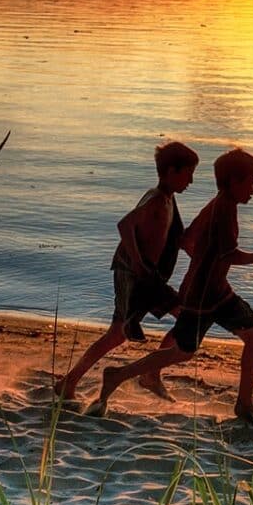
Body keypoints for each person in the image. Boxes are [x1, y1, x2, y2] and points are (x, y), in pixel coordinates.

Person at [88, 147, 253, 425]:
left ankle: (244, 404)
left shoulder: (218, 204)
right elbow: (228, 254)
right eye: (252, 182)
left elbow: (187, 239)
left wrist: (202, 262)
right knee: (183, 352)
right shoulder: (223, 210)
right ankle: (118, 375)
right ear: (234, 182)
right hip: (201, 296)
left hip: (217, 291)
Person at [55, 141, 199, 401]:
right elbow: (125, 225)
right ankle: (149, 374)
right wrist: (137, 263)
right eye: (188, 173)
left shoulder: (168, 199)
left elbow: (177, 238)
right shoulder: (155, 198)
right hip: (135, 275)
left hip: (148, 277)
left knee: (117, 335)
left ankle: (70, 381)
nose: (191, 180)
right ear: (170, 171)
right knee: (185, 319)